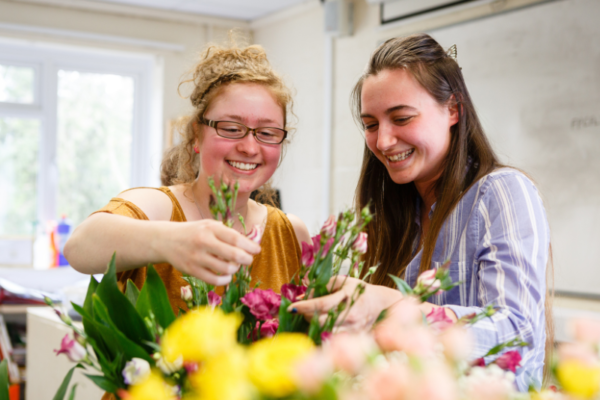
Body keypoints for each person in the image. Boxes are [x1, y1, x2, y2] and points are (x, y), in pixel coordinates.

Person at [290, 34, 551, 391]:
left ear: (453, 110)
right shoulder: (393, 212)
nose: (383, 141)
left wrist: (401, 309)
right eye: (370, 125)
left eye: (401, 118)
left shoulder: (501, 192)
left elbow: (518, 331)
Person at [65, 42, 311, 313]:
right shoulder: (159, 207)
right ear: (196, 135)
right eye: (231, 128)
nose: (250, 148)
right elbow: (79, 248)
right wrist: (172, 241)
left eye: (267, 133)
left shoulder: (291, 233)